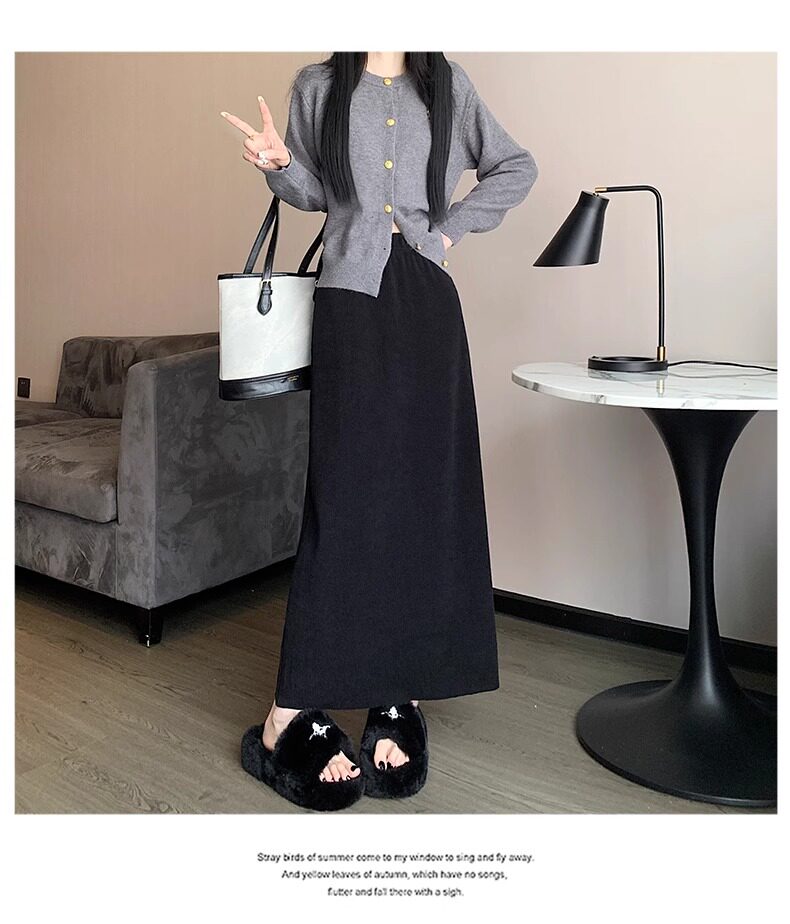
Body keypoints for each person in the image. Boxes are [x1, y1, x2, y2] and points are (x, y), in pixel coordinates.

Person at [221, 51, 538, 811]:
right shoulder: (318, 87)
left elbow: (515, 167)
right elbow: (314, 195)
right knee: (346, 499)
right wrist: (279, 164)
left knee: (422, 497)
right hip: (349, 305)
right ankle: (288, 711)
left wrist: (444, 235)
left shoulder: (449, 86)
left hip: (427, 304)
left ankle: (399, 693)